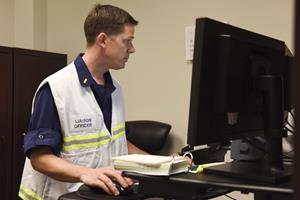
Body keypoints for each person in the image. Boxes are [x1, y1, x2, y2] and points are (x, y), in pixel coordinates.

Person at [18, 4, 147, 200]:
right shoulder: (56, 88)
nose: (132, 49)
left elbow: (118, 142)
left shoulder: (116, 89)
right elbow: (40, 158)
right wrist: (85, 173)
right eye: (127, 41)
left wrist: (164, 163)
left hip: (96, 196)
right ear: (103, 40)